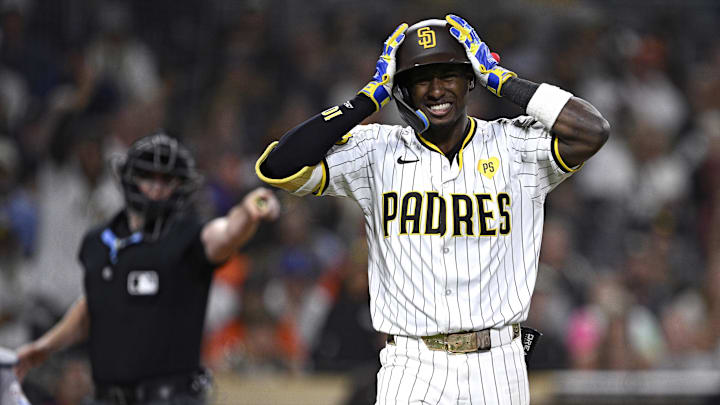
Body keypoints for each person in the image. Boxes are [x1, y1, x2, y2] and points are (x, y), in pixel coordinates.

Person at [256, 14, 609, 405]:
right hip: (411, 363)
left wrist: (503, 79)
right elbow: (280, 166)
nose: (437, 89)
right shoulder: (375, 150)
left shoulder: (514, 146)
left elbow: (593, 130)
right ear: (403, 88)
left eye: (450, 75)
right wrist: (367, 99)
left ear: (470, 79)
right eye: (422, 78)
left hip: (497, 363)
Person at [15, 132, 280, 405]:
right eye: (147, 176)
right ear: (128, 177)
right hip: (107, 397)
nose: (156, 188)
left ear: (181, 186)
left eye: (167, 180)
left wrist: (249, 211)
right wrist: (45, 346)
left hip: (171, 398)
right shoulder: (98, 242)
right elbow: (94, 308)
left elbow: (225, 233)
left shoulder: (187, 238)